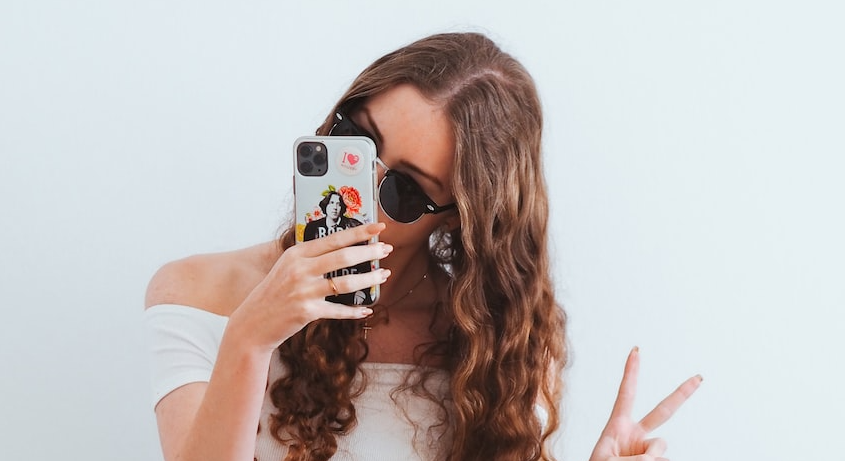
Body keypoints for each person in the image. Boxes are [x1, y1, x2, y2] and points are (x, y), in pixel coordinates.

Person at [144, 32, 701, 461]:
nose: (360, 191)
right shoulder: (196, 292)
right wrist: (249, 339)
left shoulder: (496, 343)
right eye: (355, 141)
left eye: (404, 190)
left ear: (456, 218)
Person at [303, 191, 371, 306]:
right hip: (318, 294)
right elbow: (306, 264)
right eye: (331, 203)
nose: (335, 207)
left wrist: (362, 292)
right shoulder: (312, 228)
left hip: (353, 292)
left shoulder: (355, 226)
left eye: (338, 204)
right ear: (325, 205)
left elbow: (365, 263)